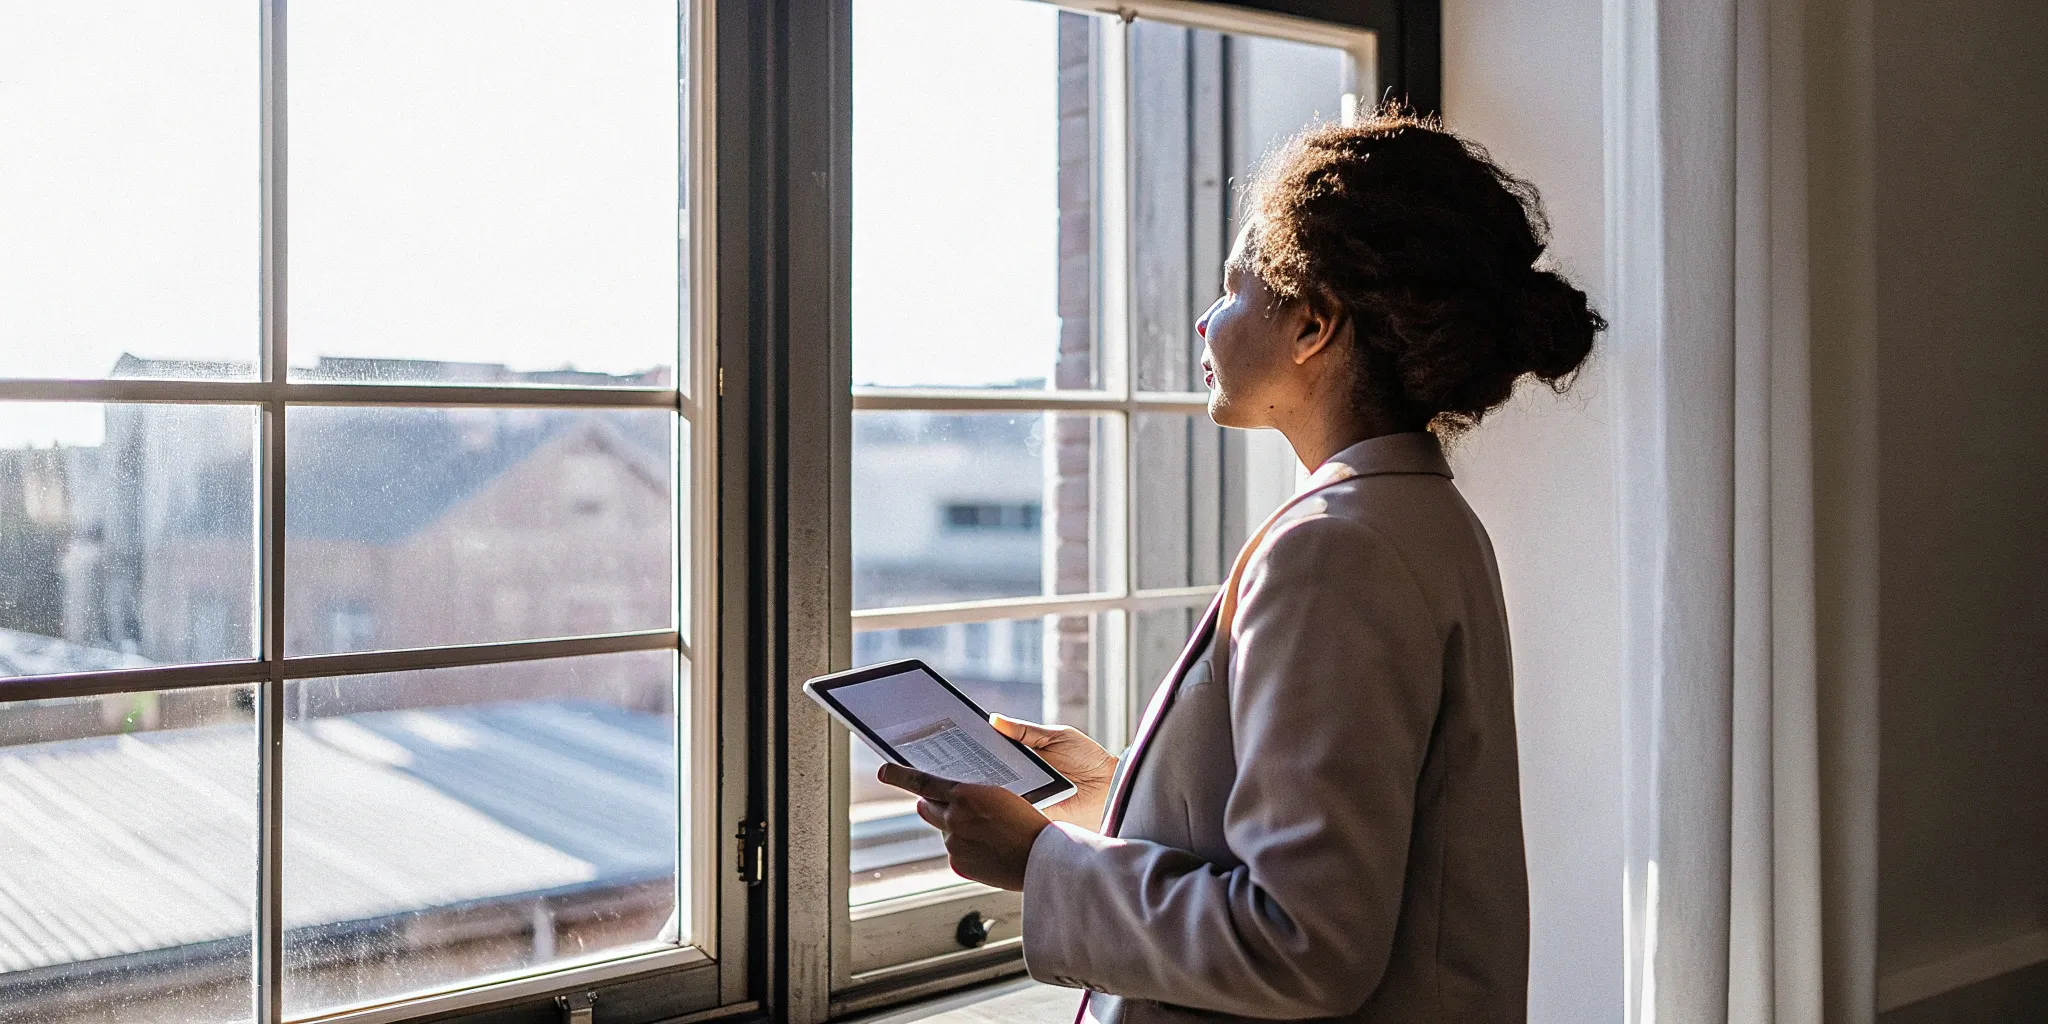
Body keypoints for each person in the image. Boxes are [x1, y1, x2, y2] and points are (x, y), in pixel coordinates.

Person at [878, 110, 1604, 1024]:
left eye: (1231, 290)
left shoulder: (1337, 550)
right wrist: (1114, 796)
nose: (1204, 319)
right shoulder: (1423, 518)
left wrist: (1037, 861)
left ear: (1313, 324)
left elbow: (1304, 945)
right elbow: (1349, 846)